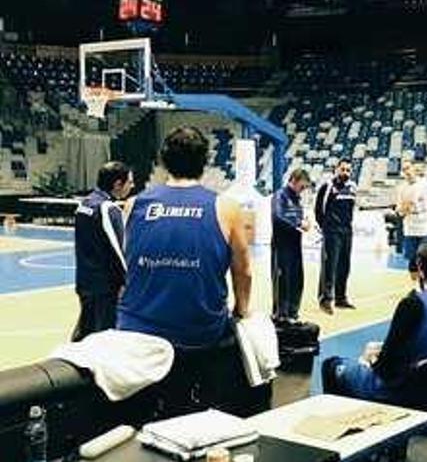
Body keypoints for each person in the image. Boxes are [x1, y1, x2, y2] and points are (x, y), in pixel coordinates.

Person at [117, 126, 255, 417]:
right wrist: (241, 311)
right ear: (204, 163)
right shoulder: (227, 208)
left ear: (163, 161)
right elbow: (244, 271)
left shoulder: (133, 205)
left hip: (137, 329)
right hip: (199, 333)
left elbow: (125, 267)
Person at [321, 239, 427, 403]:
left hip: (404, 390)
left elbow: (386, 368)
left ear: (420, 266)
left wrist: (370, 360)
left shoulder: (414, 304)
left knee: (331, 365)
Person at [72, 161, 134, 341]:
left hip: (85, 281)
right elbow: (119, 250)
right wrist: (127, 281)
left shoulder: (84, 204)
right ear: (117, 184)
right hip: (105, 287)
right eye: (129, 182)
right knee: (105, 336)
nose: (132, 186)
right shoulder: (108, 208)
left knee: (86, 330)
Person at [315, 159, 358, 315]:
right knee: (329, 266)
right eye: (343, 169)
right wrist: (325, 228)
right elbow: (318, 209)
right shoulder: (327, 187)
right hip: (332, 232)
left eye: (348, 170)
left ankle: (340, 298)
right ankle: (325, 300)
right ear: (336, 170)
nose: (345, 173)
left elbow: (352, 209)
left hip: (347, 232)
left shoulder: (353, 187)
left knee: (344, 266)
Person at [272, 169, 311, 322]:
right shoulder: (279, 195)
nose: (303, 190)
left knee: (296, 280)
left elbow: (299, 217)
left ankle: (293, 313)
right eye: (302, 186)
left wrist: (305, 221)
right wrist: (299, 223)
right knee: (283, 281)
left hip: (295, 246)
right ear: (294, 180)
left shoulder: (297, 199)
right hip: (281, 247)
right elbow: (277, 217)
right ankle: (281, 316)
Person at [395, 160, 427, 267]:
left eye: (408, 168)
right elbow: (400, 213)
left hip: (425, 229)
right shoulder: (401, 188)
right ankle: (417, 283)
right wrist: (405, 209)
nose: (407, 171)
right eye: (404, 169)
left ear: (414, 168)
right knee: (412, 264)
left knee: (425, 261)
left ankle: (425, 283)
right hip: (410, 230)